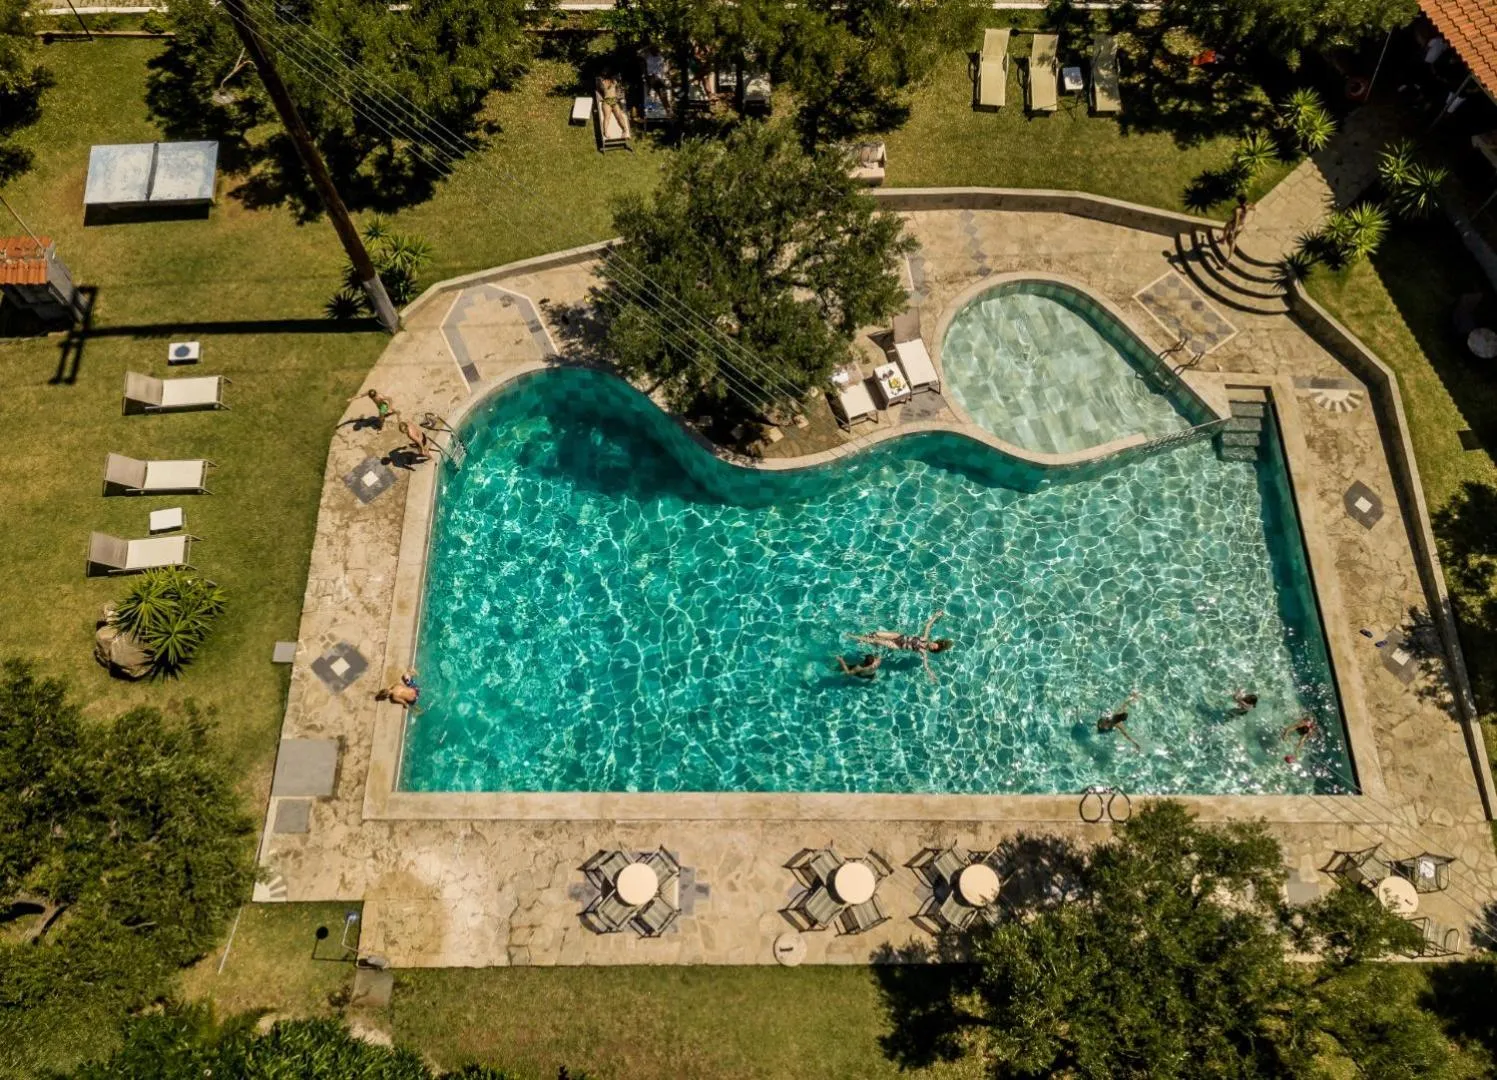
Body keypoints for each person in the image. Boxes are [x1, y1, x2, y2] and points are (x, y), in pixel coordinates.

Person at [849, 611, 953, 681]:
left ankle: (853, 637)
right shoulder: (924, 638)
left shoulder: (923, 652)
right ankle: (863, 639)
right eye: (935, 643)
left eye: (934, 647)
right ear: (934, 642)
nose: (933, 645)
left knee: (875, 640)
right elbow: (928, 625)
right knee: (876, 633)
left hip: (895, 645)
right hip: (898, 636)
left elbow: (926, 665)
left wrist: (930, 674)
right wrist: (936, 616)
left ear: (932, 650)